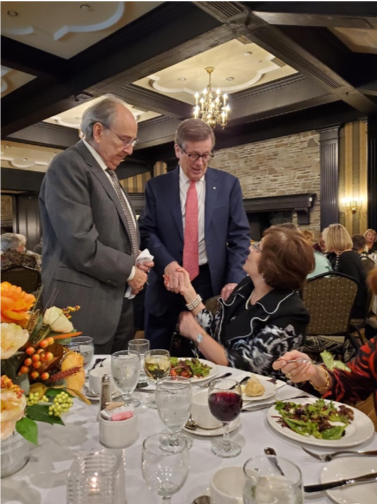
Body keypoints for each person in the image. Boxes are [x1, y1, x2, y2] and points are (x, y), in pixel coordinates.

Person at [39, 96, 153, 353]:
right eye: (124, 140)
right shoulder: (68, 165)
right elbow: (81, 243)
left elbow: (112, 236)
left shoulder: (107, 172)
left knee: (114, 387)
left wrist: (134, 261)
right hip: (82, 309)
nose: (130, 149)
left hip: (116, 305)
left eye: (133, 141)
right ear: (98, 131)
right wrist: (130, 272)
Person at [138, 118, 251, 349]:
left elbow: (240, 237)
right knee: (157, 356)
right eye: (194, 155)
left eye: (207, 155)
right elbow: (147, 232)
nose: (201, 163)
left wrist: (234, 279)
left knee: (205, 355)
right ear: (177, 150)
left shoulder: (229, 185)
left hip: (209, 284)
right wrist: (168, 264)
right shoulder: (156, 187)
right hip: (165, 283)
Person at [173, 226, 315, 378]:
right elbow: (216, 331)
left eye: (257, 248)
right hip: (226, 384)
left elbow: (241, 364)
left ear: (271, 264)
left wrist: (197, 334)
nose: (249, 248)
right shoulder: (246, 287)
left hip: (264, 394)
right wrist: (188, 291)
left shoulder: (290, 314)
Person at [324, 223, 367, 319]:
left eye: (325, 238)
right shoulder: (345, 255)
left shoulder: (346, 258)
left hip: (350, 311)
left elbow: (352, 288)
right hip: (349, 307)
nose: (324, 241)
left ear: (332, 240)